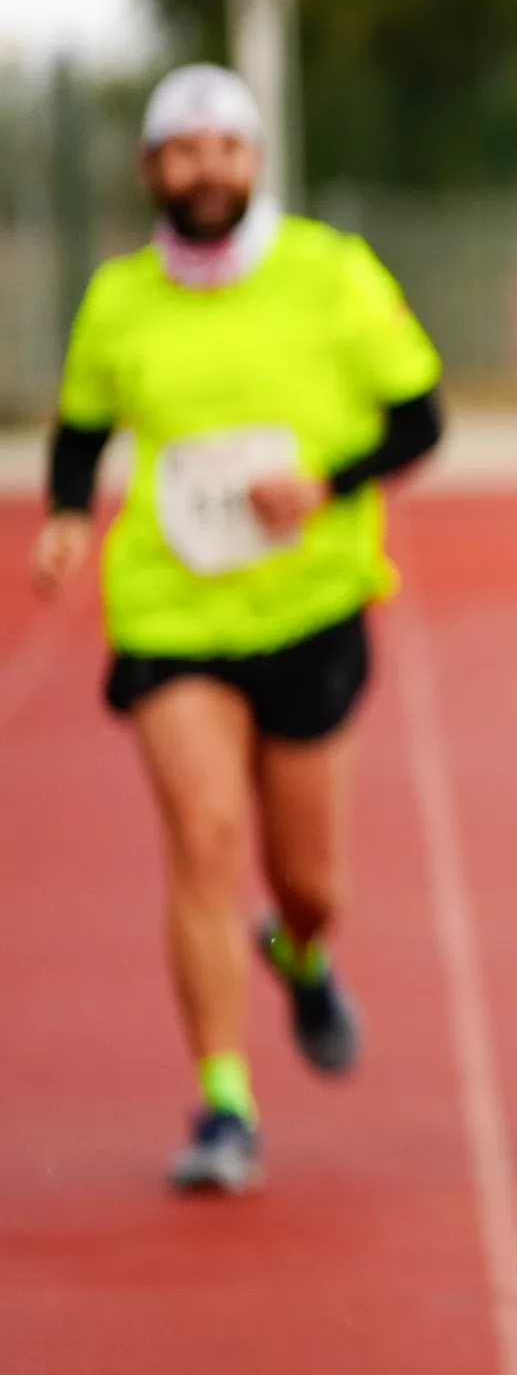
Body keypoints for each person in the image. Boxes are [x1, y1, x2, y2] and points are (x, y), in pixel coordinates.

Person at [29, 63, 447, 1196]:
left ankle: (302, 951)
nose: (203, 166)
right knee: (204, 839)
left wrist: (327, 481)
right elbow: (78, 432)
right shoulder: (119, 296)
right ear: (151, 168)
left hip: (310, 605)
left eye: (224, 146)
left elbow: (421, 419)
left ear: (253, 160)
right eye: (180, 148)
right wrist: (68, 517)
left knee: (308, 878)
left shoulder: (330, 272)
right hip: (171, 609)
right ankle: (223, 1097)